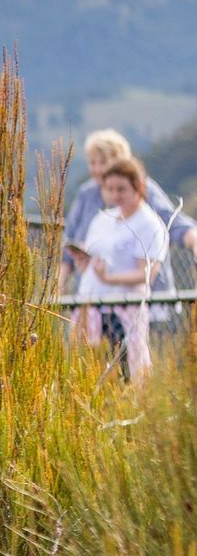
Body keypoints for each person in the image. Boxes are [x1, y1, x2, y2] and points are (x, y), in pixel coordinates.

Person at [65, 129, 193, 307]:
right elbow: (69, 240)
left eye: (103, 162)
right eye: (92, 162)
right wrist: (59, 286)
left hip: (141, 302)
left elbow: (175, 223)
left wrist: (193, 241)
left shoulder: (143, 191)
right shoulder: (87, 194)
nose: (97, 169)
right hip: (92, 299)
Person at [73, 154, 170, 383]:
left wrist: (110, 278)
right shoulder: (103, 219)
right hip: (90, 307)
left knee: (124, 374)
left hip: (123, 312)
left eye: (121, 189)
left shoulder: (149, 224)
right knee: (87, 372)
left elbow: (146, 274)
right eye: (110, 189)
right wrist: (84, 263)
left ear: (138, 187)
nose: (115, 195)